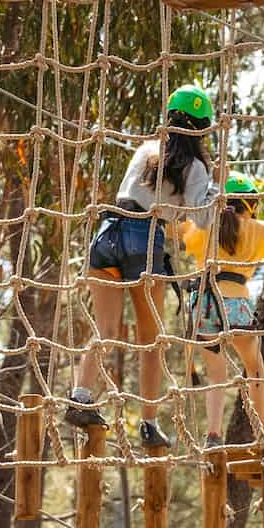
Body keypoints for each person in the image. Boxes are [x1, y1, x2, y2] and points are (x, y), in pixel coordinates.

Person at [66, 84, 218, 449]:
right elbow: (203, 218)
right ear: (201, 129)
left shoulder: (147, 149)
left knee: (105, 328)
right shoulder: (195, 166)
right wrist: (215, 194)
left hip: (107, 232)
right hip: (143, 239)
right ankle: (148, 423)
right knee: (152, 342)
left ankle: (80, 395)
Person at [182, 173, 264, 448]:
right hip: (236, 304)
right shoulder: (257, 228)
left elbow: (176, 230)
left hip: (203, 304)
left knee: (216, 374)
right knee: (255, 369)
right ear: (250, 204)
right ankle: (263, 430)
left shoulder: (204, 227)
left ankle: (213, 435)